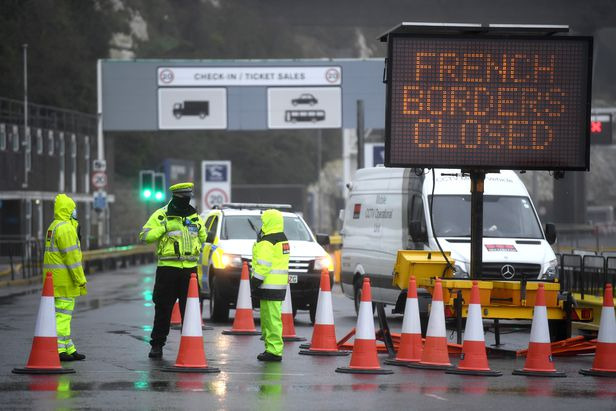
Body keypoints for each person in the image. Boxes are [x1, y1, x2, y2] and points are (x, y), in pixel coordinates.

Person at [139, 182, 207, 359]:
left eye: (189, 196)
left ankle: (190, 344)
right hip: (168, 269)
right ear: (176, 197)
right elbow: (144, 236)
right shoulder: (162, 215)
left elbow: (203, 235)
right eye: (184, 196)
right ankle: (157, 345)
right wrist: (164, 228)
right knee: (163, 309)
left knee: (191, 310)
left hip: (190, 270)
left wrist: (199, 231)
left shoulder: (194, 215)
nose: (187, 199)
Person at [42, 194, 87, 362]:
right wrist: (80, 279)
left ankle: (69, 347)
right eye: (73, 209)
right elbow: (72, 258)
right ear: (67, 210)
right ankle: (60, 349)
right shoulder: (66, 229)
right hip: (65, 281)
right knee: (63, 315)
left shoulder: (54, 226)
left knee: (63, 315)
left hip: (54, 280)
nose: (75, 212)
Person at [250, 209, 289, 362]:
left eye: (263, 221)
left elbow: (263, 265)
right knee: (270, 319)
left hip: (268, 286)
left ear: (269, 222)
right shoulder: (282, 240)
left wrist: (254, 282)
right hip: (277, 286)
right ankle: (270, 348)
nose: (262, 225)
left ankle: (274, 351)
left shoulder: (267, 242)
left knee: (270, 320)